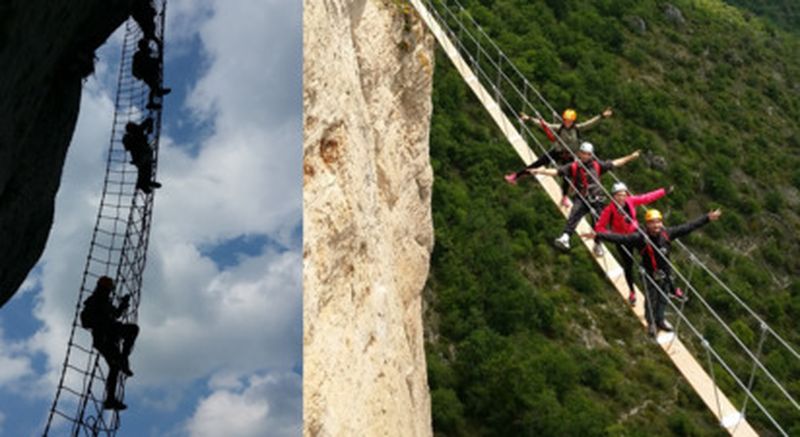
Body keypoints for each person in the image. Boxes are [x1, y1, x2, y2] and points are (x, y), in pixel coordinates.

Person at [591, 209, 722, 337]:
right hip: (649, 273)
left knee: (663, 298)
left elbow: (687, 227)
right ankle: (651, 323)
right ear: (647, 224)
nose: (656, 225)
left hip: (665, 273)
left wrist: (707, 218)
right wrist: (600, 235)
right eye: (652, 222)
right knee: (651, 298)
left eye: (658, 222)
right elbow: (621, 238)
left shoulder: (667, 234)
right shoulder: (640, 237)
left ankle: (660, 320)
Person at [528, 142, 640, 254]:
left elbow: (615, 163)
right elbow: (557, 171)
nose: (585, 156)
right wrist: (540, 171)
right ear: (579, 153)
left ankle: (598, 244)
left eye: (588, 154)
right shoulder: (573, 166)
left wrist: (631, 157)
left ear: (591, 155)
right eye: (583, 153)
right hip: (582, 197)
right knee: (574, 214)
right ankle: (566, 236)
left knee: (599, 223)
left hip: (597, 198)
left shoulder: (598, 165)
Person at [504, 107, 613, 194]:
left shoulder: (577, 128)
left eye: (569, 120)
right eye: (566, 120)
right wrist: (529, 119)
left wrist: (601, 116)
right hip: (557, 151)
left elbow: (590, 124)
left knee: (566, 176)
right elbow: (544, 125)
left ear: (573, 121)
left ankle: (564, 197)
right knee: (537, 163)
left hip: (570, 155)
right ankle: (516, 176)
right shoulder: (559, 127)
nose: (567, 122)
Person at [594, 182, 670, 305]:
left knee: (650, 252)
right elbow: (599, 227)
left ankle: (658, 276)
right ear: (613, 196)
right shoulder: (609, 210)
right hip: (623, 239)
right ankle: (632, 292)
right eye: (619, 195)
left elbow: (646, 198)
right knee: (628, 266)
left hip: (635, 234)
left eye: (624, 194)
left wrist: (663, 191)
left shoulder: (631, 201)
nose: (622, 197)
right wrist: (610, 235)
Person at [80, 276, 139, 410]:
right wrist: (102, 323)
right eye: (109, 288)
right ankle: (122, 361)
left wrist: (123, 304)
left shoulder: (103, 300)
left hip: (108, 336)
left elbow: (116, 314)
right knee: (116, 365)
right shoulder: (95, 301)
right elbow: (86, 322)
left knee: (115, 366)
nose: (110, 291)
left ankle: (110, 399)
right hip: (104, 337)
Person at [122, 118, 162, 193]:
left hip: (143, 155)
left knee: (146, 168)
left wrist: (149, 130)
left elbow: (149, 120)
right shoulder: (128, 137)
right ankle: (143, 184)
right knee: (144, 168)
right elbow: (127, 147)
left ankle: (145, 183)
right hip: (139, 156)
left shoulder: (138, 130)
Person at [132, 39, 171, 110]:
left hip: (149, 71)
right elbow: (135, 67)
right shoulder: (138, 55)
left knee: (154, 85)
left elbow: (154, 56)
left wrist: (159, 49)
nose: (145, 47)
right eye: (144, 46)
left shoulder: (147, 51)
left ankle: (155, 95)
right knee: (153, 85)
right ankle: (153, 99)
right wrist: (137, 74)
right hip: (145, 72)